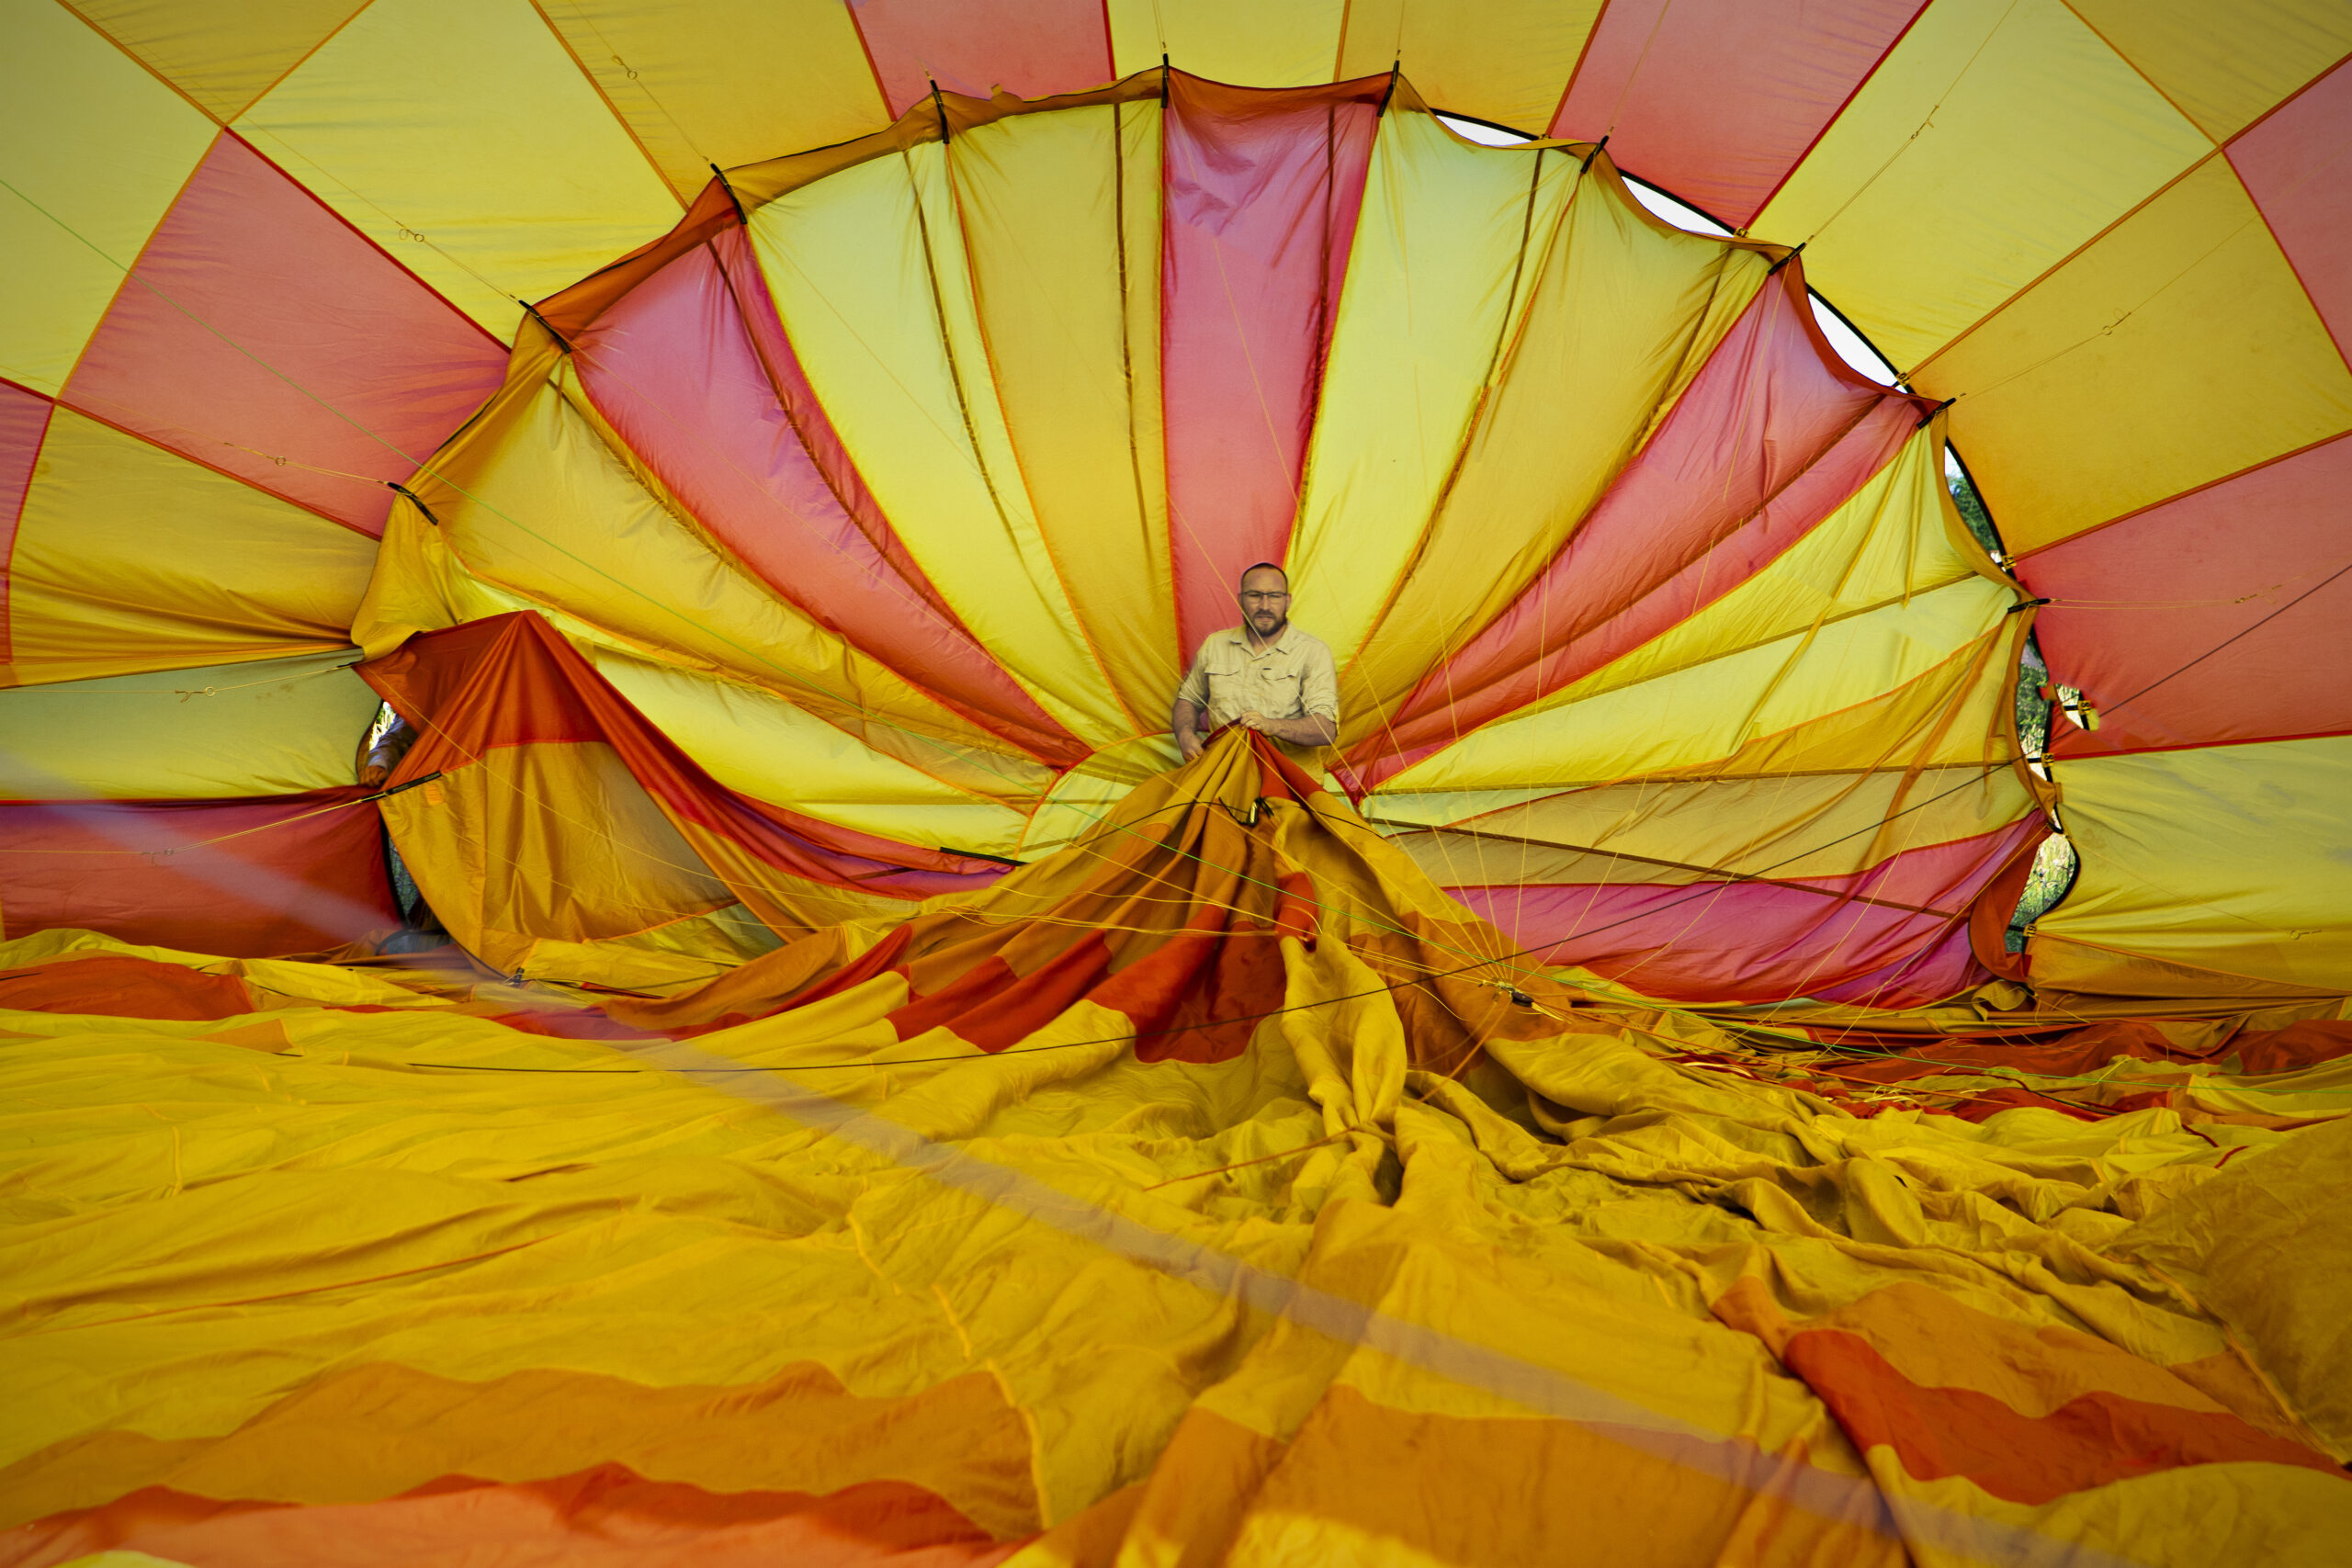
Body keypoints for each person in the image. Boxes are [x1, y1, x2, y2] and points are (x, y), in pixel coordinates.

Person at [1170, 562, 1340, 762]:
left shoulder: (1313, 651)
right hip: (1224, 776)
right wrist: (1185, 736)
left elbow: (1326, 730)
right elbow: (1188, 700)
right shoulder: (1215, 644)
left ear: (1287, 601)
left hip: (1288, 783)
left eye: (1274, 596)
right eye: (1255, 595)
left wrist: (1272, 726)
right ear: (1241, 600)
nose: (1265, 606)